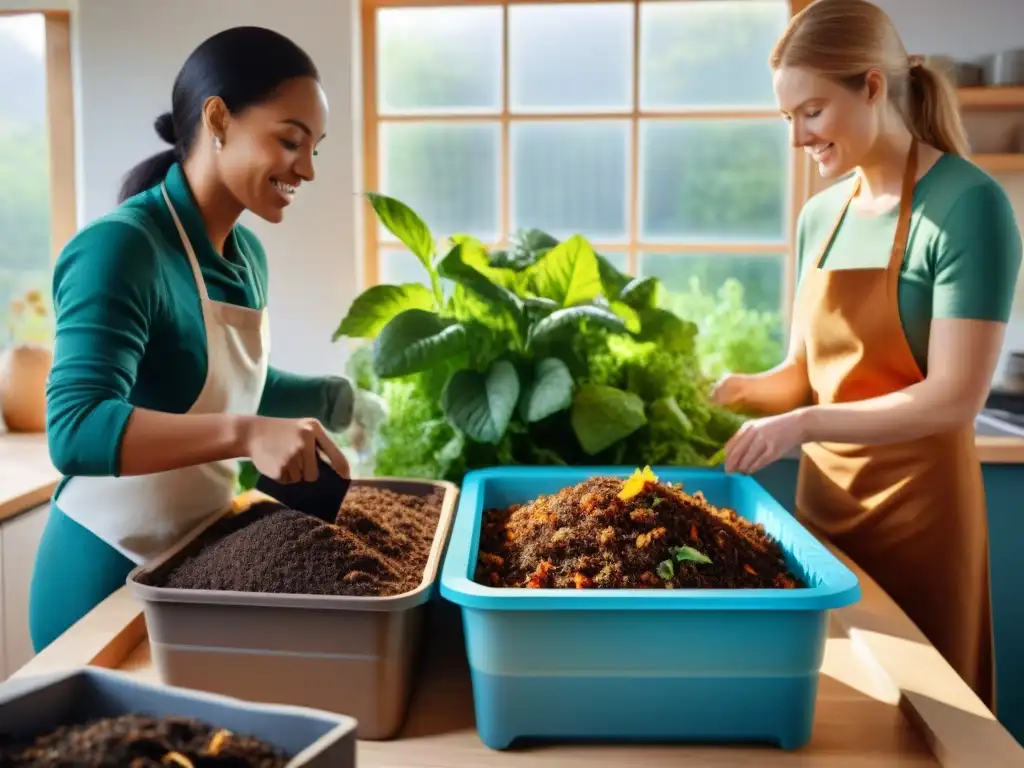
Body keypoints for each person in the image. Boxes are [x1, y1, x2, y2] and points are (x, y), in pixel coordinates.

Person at [31, 26, 385, 653]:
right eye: (290, 140)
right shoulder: (121, 247)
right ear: (218, 118)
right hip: (103, 564)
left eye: (315, 149)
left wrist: (336, 399)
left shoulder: (245, 254)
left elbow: (229, 383)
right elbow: (76, 428)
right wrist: (248, 434)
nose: (306, 168)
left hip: (196, 558)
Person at [712, 0, 1022, 710]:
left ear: (873, 89)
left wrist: (805, 425)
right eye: (787, 118)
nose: (797, 138)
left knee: (928, 715)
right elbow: (801, 376)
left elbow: (953, 397)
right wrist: (724, 391)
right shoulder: (820, 216)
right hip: (824, 518)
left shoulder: (968, 206)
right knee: (834, 713)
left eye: (812, 112)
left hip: (922, 518)